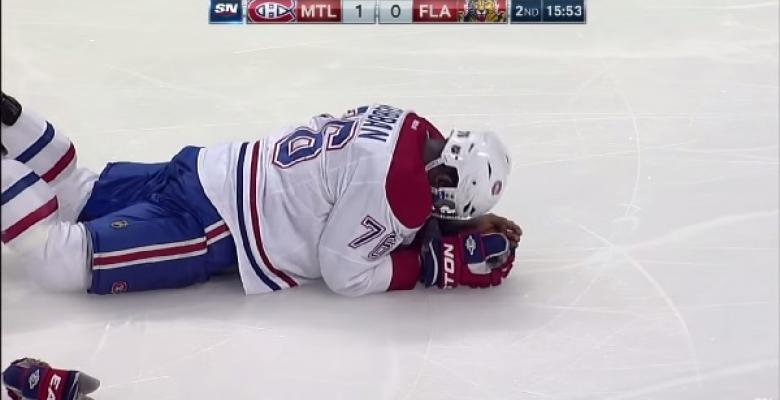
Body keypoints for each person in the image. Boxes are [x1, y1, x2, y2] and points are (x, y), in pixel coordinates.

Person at [1, 93, 521, 297]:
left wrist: (454, 225)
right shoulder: (402, 191)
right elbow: (345, 272)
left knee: (81, 192)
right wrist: (436, 265)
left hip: (211, 165)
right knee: (60, 259)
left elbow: (367, 187)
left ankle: (14, 123)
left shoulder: (408, 123)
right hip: (216, 224)